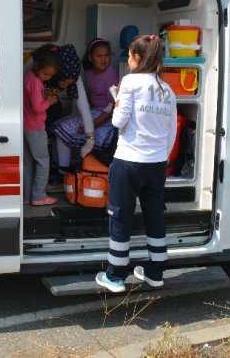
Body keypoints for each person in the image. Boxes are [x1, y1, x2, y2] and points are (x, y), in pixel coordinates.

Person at [95, 34, 178, 293]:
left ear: (138, 58)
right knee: (154, 214)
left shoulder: (130, 82)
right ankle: (155, 272)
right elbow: (171, 131)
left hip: (128, 160)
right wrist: (160, 156)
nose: (128, 61)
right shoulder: (167, 89)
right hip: (156, 164)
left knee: (120, 215)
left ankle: (116, 275)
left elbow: (118, 122)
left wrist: (118, 99)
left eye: (130, 56)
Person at [48, 38, 118, 189]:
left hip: (105, 116)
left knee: (64, 128)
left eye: (107, 55)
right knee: (57, 126)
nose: (104, 59)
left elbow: (111, 106)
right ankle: (57, 169)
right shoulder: (87, 72)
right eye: (99, 56)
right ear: (90, 57)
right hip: (93, 112)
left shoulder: (111, 73)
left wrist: (91, 126)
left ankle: (62, 174)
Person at [23, 44, 61, 206]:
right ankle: (38, 195)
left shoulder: (28, 75)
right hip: (35, 127)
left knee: (29, 162)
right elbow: (38, 108)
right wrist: (49, 101)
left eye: (50, 76)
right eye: (45, 74)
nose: (46, 78)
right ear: (37, 65)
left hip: (24, 126)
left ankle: (26, 196)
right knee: (43, 160)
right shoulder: (36, 82)